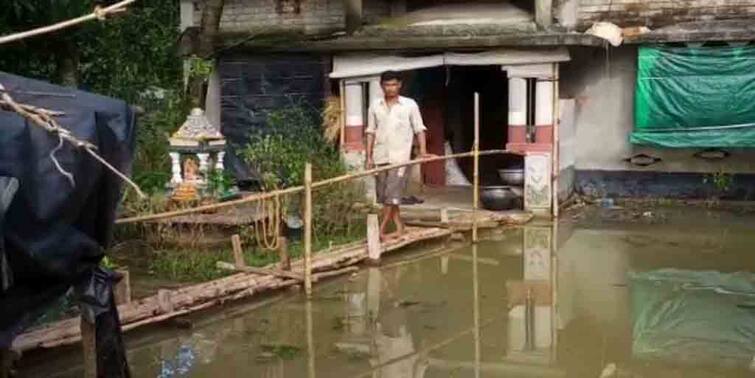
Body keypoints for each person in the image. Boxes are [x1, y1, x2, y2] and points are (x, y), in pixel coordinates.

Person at [365, 71, 432, 241]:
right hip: (380, 157)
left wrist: (423, 152)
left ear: (399, 85)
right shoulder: (375, 105)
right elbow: (370, 132)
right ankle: (400, 227)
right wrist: (369, 157)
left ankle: (380, 232)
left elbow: (419, 129)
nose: (391, 88)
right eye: (387, 85)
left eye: (394, 85)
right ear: (382, 86)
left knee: (391, 195)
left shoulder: (409, 105)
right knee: (385, 197)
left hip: (400, 158)